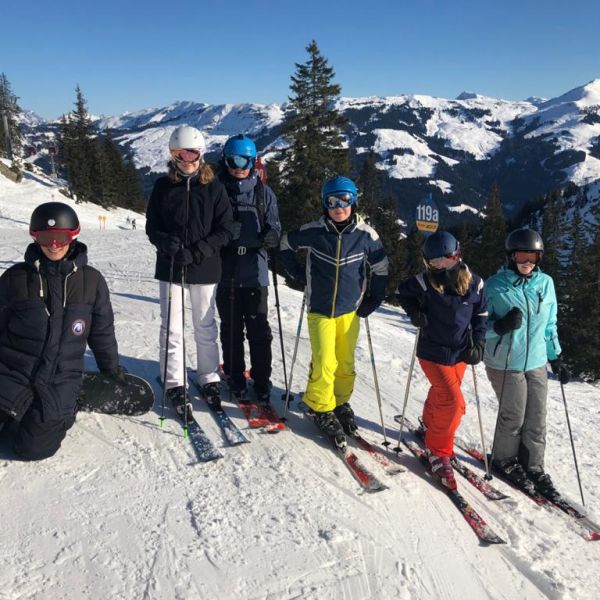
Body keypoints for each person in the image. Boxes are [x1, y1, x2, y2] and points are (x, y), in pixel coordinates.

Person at [0, 202, 121, 460]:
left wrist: (111, 369)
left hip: (59, 379)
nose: (53, 245)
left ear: (73, 236)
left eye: (61, 238)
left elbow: (102, 332)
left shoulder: (91, 281)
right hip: (13, 372)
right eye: (46, 237)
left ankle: (68, 406)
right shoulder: (15, 278)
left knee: (31, 449)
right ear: (35, 237)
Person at [280, 176, 388, 446]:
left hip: (350, 311)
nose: (339, 206)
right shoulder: (315, 231)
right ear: (324, 204)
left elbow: (381, 266)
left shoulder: (366, 235)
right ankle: (320, 405)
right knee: (325, 361)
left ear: (354, 201)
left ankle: (340, 402)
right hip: (320, 309)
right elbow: (285, 244)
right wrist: (294, 274)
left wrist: (374, 296)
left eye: (345, 200)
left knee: (345, 362)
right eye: (332, 201)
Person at [145, 125, 234, 414]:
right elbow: (152, 226)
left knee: (205, 325)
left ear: (201, 154)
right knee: (171, 327)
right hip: (170, 266)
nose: (186, 160)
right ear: (172, 156)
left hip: (205, 267)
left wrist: (198, 251)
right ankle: (174, 382)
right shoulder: (162, 187)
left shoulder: (214, 187)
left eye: (191, 153)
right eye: (179, 154)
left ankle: (208, 377)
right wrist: (165, 243)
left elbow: (226, 229)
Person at [396, 231, 487, 490]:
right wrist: (415, 312)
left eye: (446, 261)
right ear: (428, 263)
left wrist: (479, 342)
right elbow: (401, 291)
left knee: (444, 396)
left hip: (459, 353)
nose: (441, 267)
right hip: (432, 352)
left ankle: (429, 425)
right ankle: (437, 451)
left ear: (457, 256)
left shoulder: (476, 284)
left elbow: (481, 314)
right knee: (454, 403)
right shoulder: (425, 282)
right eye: (435, 263)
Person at [484, 228, 569, 500]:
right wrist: (499, 325)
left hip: (536, 362)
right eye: (522, 255)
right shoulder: (495, 286)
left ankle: (533, 465)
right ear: (511, 256)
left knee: (537, 418)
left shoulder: (545, 284)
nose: (527, 261)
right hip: (505, 362)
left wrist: (555, 356)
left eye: (533, 255)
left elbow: (550, 324)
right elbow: (475, 325)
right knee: (514, 415)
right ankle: (504, 459)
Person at [216, 134, 281, 403]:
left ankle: (262, 379)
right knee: (231, 328)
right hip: (225, 271)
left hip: (255, 272)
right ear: (225, 160)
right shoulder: (217, 191)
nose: (238, 166)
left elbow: (276, 225)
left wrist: (271, 236)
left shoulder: (263, 194)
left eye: (244, 160)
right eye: (233, 159)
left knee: (258, 329)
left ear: (254, 162)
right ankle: (234, 374)